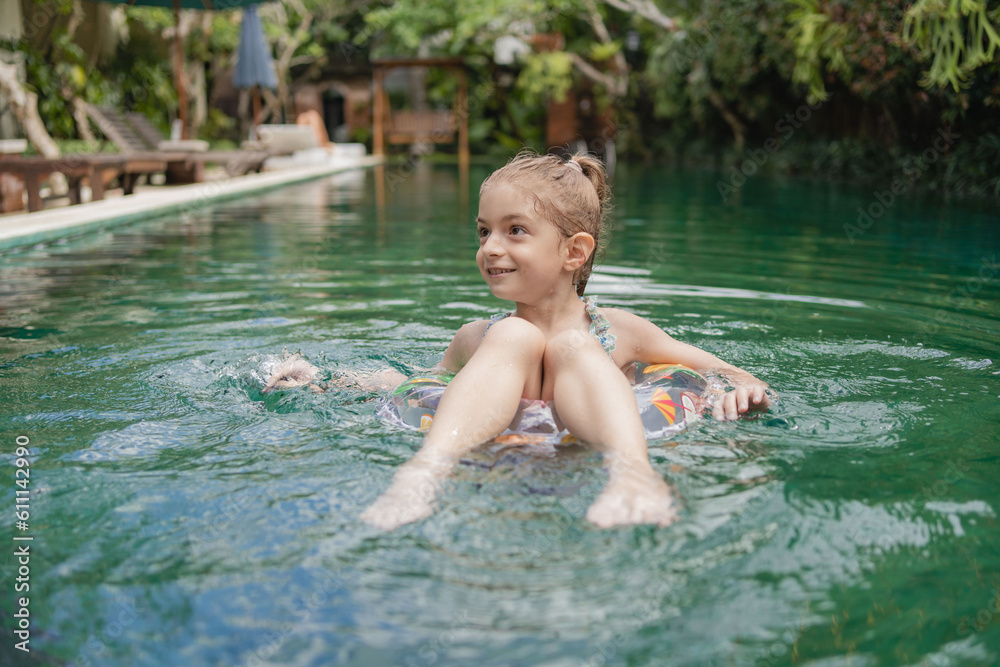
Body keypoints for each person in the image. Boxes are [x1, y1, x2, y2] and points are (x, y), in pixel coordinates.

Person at [359, 151, 773, 531]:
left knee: (572, 346)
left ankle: (634, 476)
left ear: (574, 252)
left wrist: (743, 392)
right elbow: (419, 385)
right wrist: (335, 381)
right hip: (497, 470)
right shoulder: (476, 338)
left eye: (515, 230)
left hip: (585, 460)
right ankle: (424, 473)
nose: (491, 248)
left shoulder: (619, 331)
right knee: (514, 334)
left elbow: (725, 372)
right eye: (484, 232)